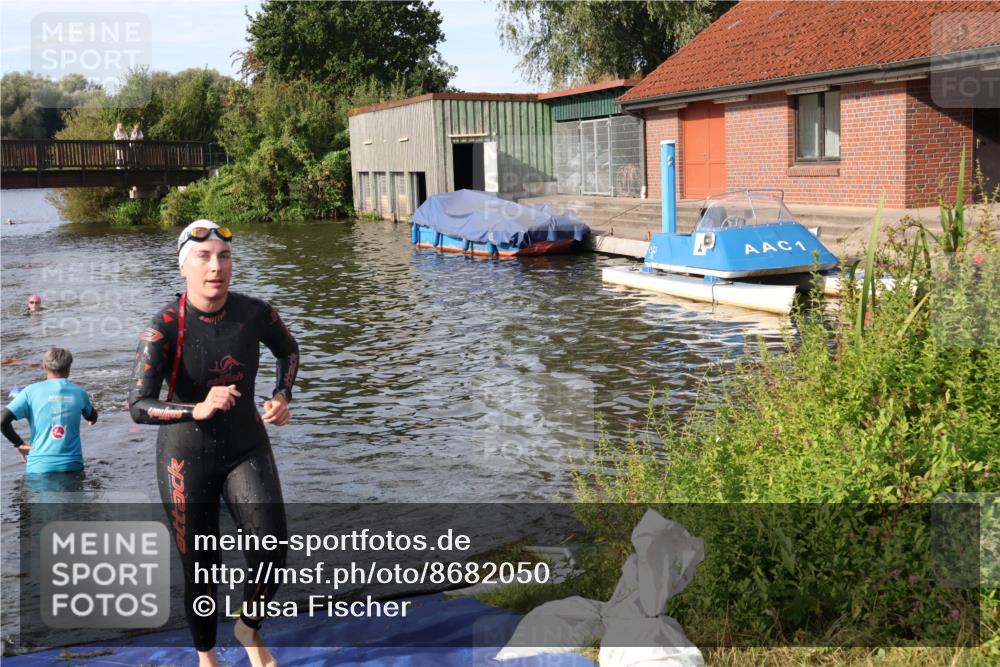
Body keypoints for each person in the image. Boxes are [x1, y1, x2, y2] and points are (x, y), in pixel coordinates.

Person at [128, 219, 299, 667]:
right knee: (202, 568)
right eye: (203, 257)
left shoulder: (255, 312)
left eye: (224, 257)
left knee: (272, 548)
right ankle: (207, 658)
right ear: (184, 267)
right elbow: (138, 405)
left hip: (246, 445)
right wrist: (195, 409)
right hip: (186, 457)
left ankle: (249, 627)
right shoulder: (164, 326)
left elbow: (289, 350)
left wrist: (282, 395)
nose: (215, 266)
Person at [1, 348, 98, 473]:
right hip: (72, 465)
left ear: (45, 366)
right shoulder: (79, 392)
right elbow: (91, 416)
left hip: (39, 467)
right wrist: (91, 417)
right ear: (69, 368)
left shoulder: (30, 392)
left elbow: (2, 421)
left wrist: (18, 443)